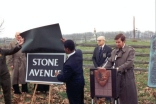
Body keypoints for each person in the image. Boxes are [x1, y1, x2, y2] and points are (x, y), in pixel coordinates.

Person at [100, 33, 138, 104]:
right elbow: (110, 61)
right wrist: (103, 68)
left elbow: (129, 63)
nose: (117, 44)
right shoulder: (114, 51)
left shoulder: (130, 50)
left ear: (123, 41)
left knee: (128, 96)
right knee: (117, 95)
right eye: (116, 42)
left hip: (127, 77)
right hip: (117, 77)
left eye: (119, 42)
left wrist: (118, 68)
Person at [55, 39, 85, 104]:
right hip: (80, 83)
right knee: (80, 100)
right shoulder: (79, 53)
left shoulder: (68, 64)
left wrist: (57, 75)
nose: (64, 49)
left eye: (64, 48)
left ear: (67, 49)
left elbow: (65, 78)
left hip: (73, 87)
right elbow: (76, 49)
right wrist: (66, 42)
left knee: (74, 101)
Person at [0, 33, 24, 104]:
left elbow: (12, 50)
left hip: (4, 76)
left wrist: (19, 45)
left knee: (7, 93)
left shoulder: (2, 51)